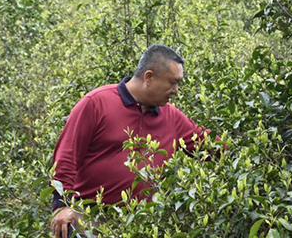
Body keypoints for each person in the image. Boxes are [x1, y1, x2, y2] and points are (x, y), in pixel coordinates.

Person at [50, 44, 212, 238]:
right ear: (149, 77)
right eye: (172, 82)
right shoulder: (96, 103)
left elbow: (208, 145)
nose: (176, 90)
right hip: (92, 219)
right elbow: (67, 156)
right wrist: (61, 206)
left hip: (141, 224)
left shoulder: (172, 117)